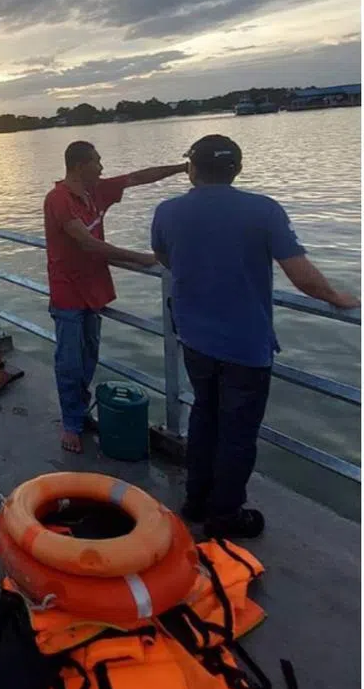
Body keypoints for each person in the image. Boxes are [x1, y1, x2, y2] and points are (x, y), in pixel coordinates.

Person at [151, 134, 359, 539]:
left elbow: (164, 258)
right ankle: (225, 515)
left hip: (194, 337)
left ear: (192, 169)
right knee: (238, 432)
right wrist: (336, 296)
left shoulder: (167, 211)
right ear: (238, 169)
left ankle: (196, 500)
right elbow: (301, 276)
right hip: (245, 345)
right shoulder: (263, 210)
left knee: (204, 416)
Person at [44, 140, 187, 454]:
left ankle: (81, 412)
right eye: (97, 160)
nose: (102, 166)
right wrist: (142, 258)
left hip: (93, 290)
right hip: (68, 291)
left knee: (89, 356)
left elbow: (138, 177)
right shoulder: (59, 199)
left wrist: (181, 168)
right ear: (80, 165)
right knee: (69, 361)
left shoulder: (95, 191)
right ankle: (71, 423)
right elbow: (87, 243)